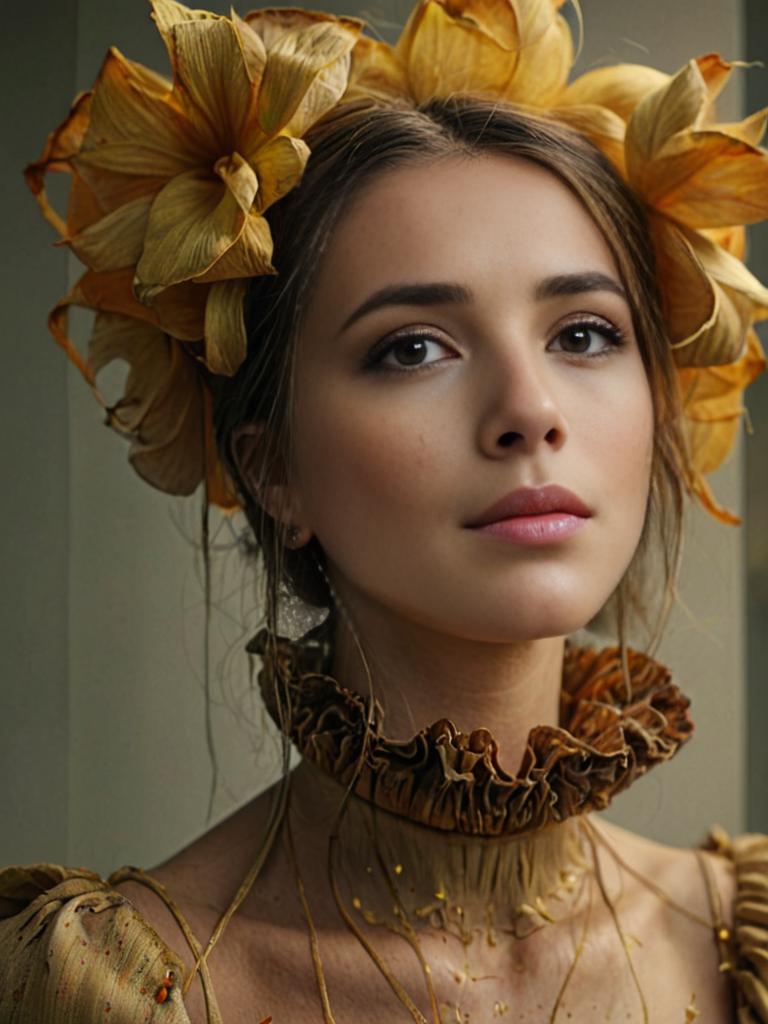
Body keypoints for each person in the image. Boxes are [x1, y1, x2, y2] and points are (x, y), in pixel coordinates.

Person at [2, 0, 767, 1021]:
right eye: (412, 347)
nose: (529, 410)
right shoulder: (112, 990)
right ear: (274, 469)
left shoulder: (742, 948)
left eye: (583, 334)